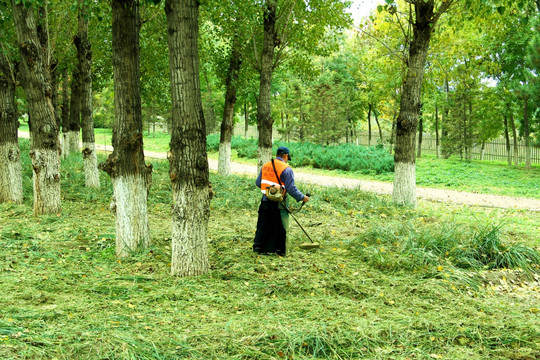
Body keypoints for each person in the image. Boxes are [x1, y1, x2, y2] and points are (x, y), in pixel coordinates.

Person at [253, 146, 309, 255]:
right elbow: (291, 188)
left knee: (263, 225)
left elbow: (258, 183)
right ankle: (279, 250)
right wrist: (302, 197)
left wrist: (270, 191)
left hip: (265, 201)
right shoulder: (286, 169)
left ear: (277, 154)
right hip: (279, 204)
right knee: (280, 227)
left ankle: (258, 248)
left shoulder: (266, 165)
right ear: (286, 156)